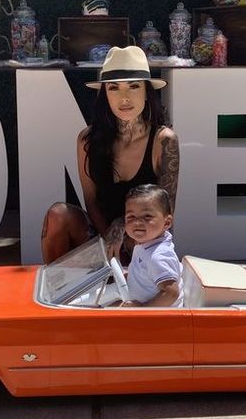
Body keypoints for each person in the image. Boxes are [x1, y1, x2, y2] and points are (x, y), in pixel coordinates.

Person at [41, 46, 179, 263]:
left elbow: (165, 208)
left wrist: (123, 225)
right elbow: (91, 201)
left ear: (146, 91)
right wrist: (108, 239)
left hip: (144, 237)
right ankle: (57, 290)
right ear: (104, 94)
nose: (124, 97)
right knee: (58, 215)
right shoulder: (87, 139)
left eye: (133, 86)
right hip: (100, 235)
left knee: (143, 231)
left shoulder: (164, 140)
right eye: (114, 88)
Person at [121, 184, 183, 307]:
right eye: (131, 217)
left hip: (159, 320)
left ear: (167, 223)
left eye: (147, 216)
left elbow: (171, 293)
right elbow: (146, 270)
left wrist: (142, 311)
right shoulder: (146, 244)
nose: (137, 222)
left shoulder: (158, 256)